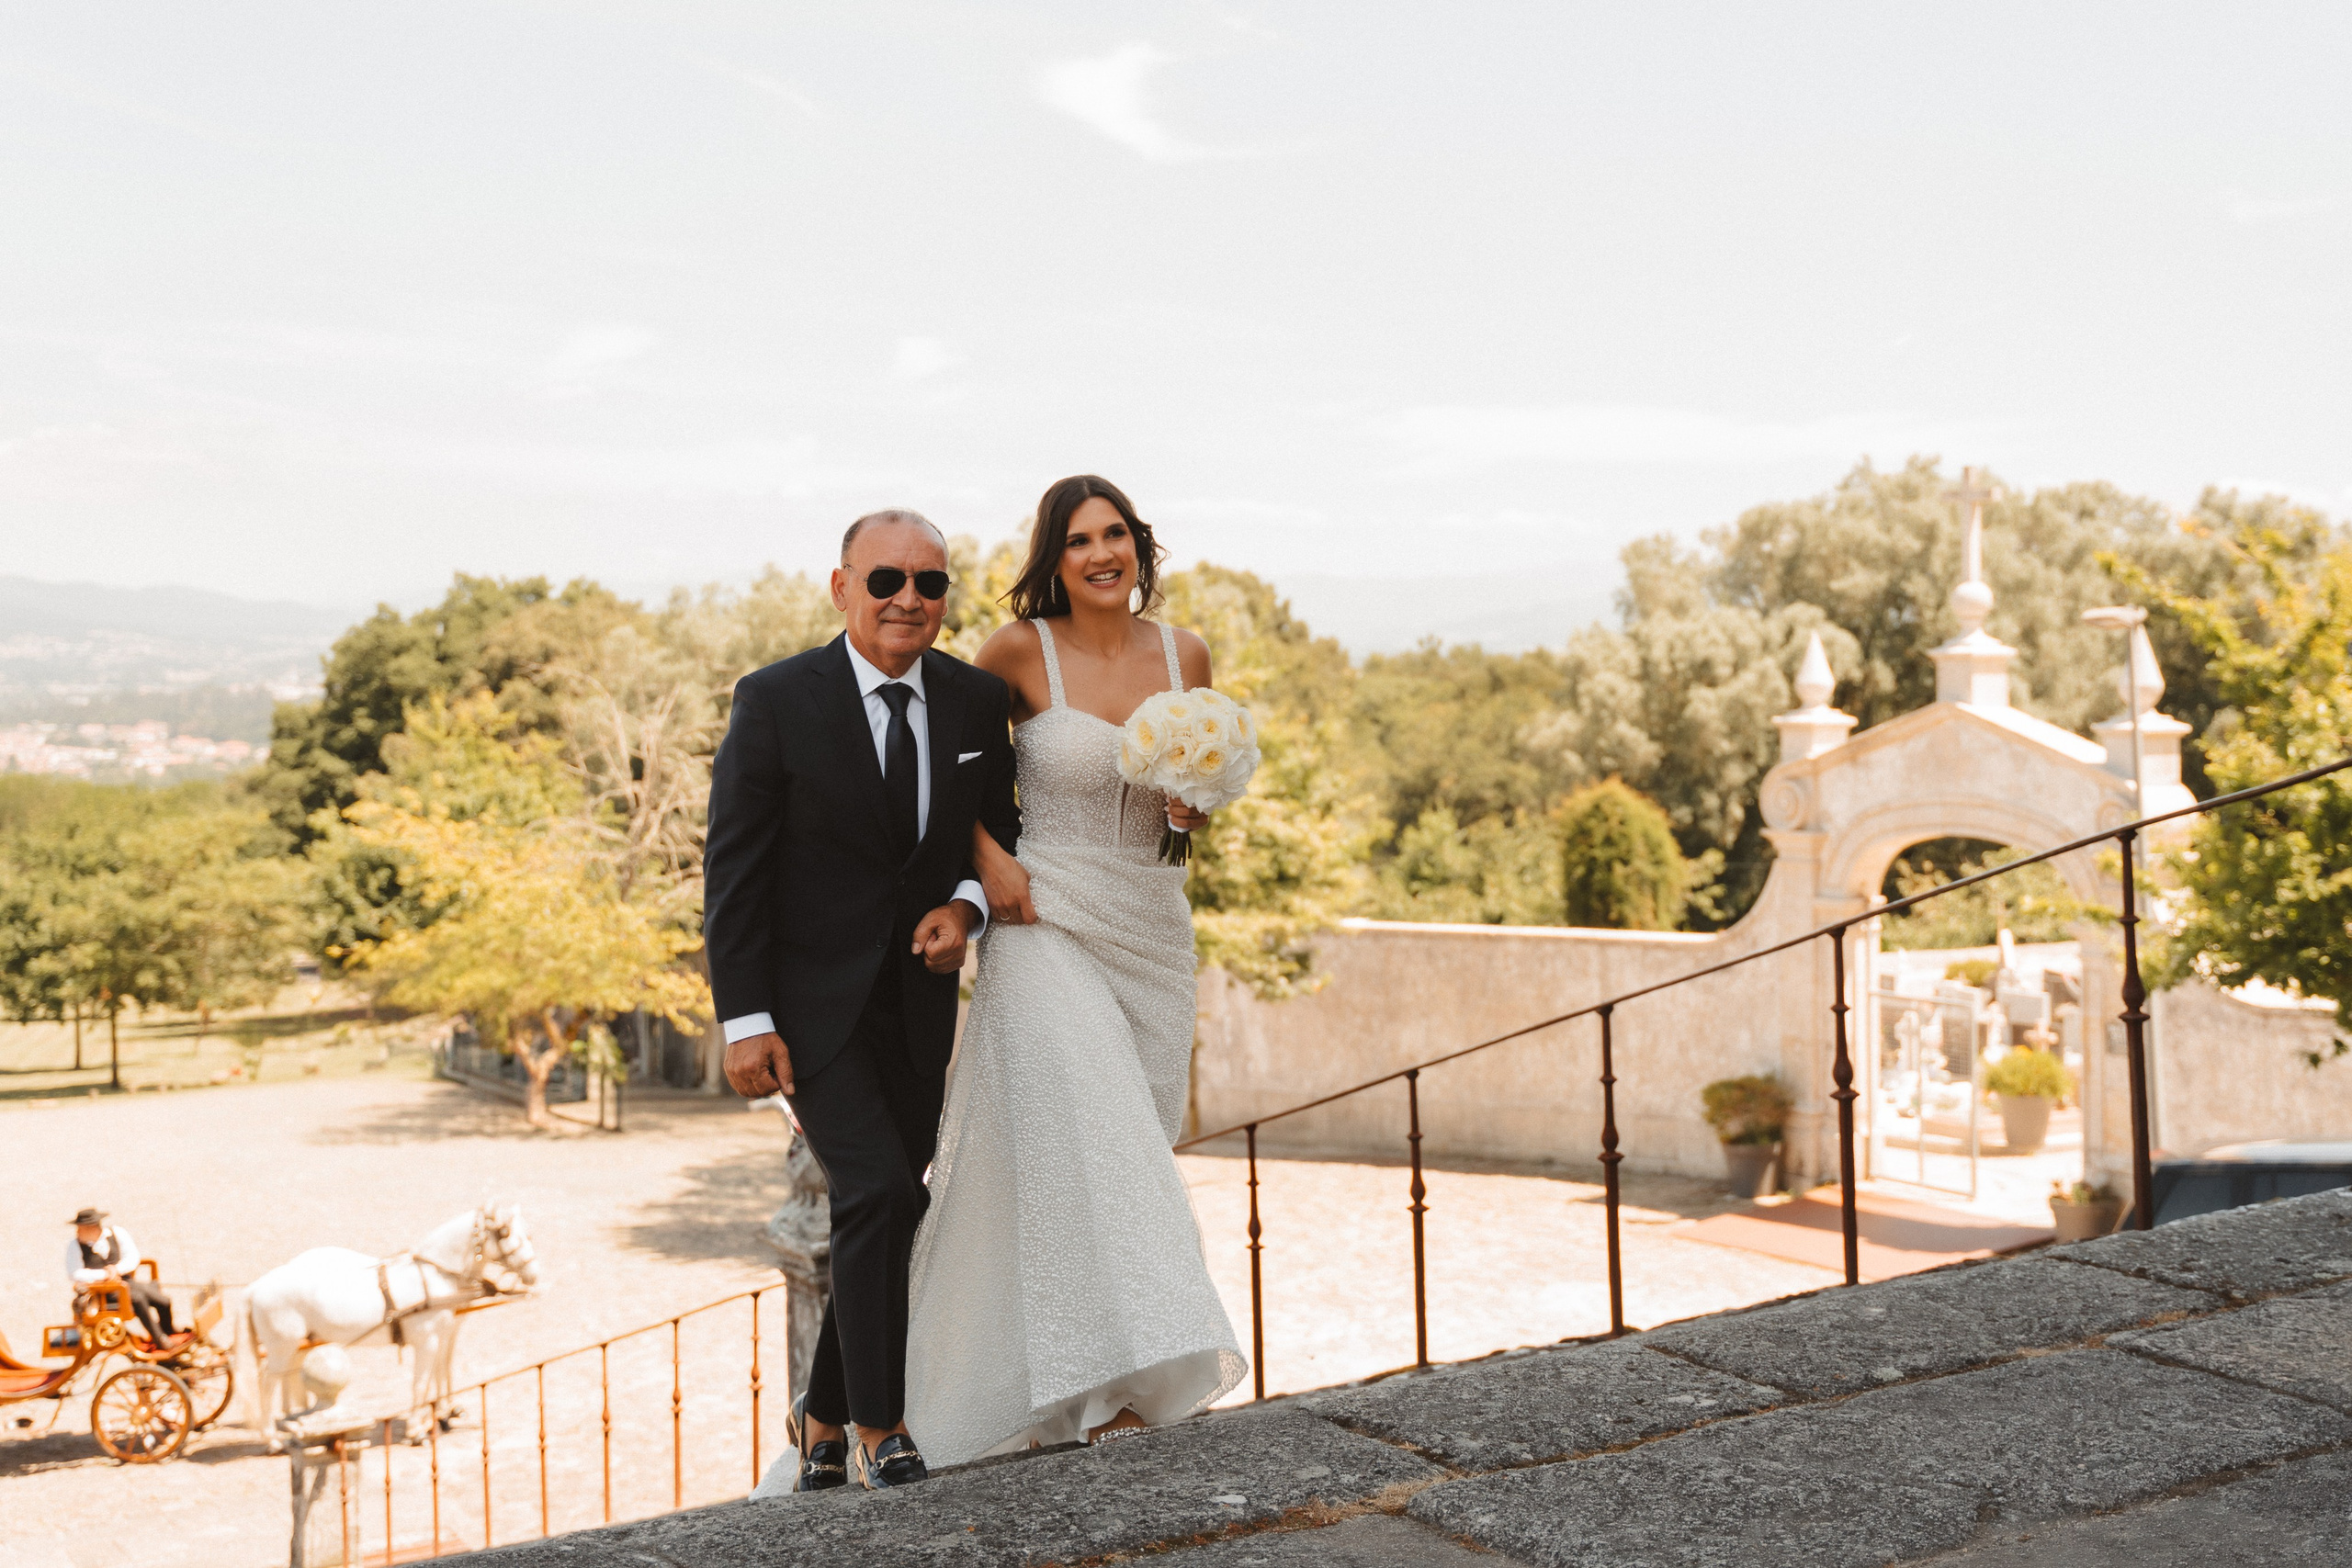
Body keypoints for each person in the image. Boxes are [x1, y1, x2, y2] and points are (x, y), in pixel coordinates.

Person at [903, 474, 1245, 1465]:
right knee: (1088, 1139)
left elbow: (1191, 801)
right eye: (1078, 540)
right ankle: (1113, 1394)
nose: (1102, 554)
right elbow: (936, 767)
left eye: (1116, 536)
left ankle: (1054, 1378)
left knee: (1122, 1142)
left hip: (1148, 925)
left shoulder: (1186, 654)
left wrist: (1192, 808)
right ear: (1052, 560)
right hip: (1041, 913)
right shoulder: (1017, 652)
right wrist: (987, 857)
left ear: (1140, 546)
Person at [706, 508, 1018, 1493]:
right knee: (880, 1190)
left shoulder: (975, 700)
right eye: (887, 580)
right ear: (842, 587)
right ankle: (883, 1424)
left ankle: (820, 1410)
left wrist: (965, 911)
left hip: (920, 1008)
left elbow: (999, 831)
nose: (909, 601)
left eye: (930, 584)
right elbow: (736, 874)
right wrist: (745, 1020)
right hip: (812, 1014)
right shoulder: (774, 700)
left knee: (893, 1201)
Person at [65, 1208, 182, 1348]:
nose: (77, 1232)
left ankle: (168, 1331)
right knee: (138, 1299)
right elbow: (75, 1273)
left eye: (80, 1228)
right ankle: (160, 1339)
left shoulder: (117, 1233)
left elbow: (133, 1257)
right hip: (101, 1293)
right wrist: (105, 1274)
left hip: (125, 1282)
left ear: (92, 1228)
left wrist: (116, 1270)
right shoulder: (75, 1246)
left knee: (164, 1301)